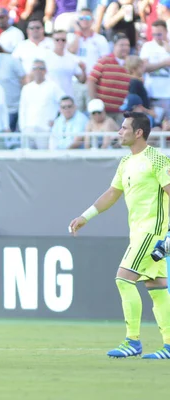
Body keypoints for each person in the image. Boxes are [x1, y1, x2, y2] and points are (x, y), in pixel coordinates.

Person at [69, 112, 170, 359]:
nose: (119, 131)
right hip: (138, 232)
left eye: (124, 128)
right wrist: (85, 216)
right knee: (156, 287)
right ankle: (168, 345)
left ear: (138, 133)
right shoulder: (126, 162)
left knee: (123, 279)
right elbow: (112, 194)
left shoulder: (157, 160)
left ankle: (132, 341)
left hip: (152, 231)